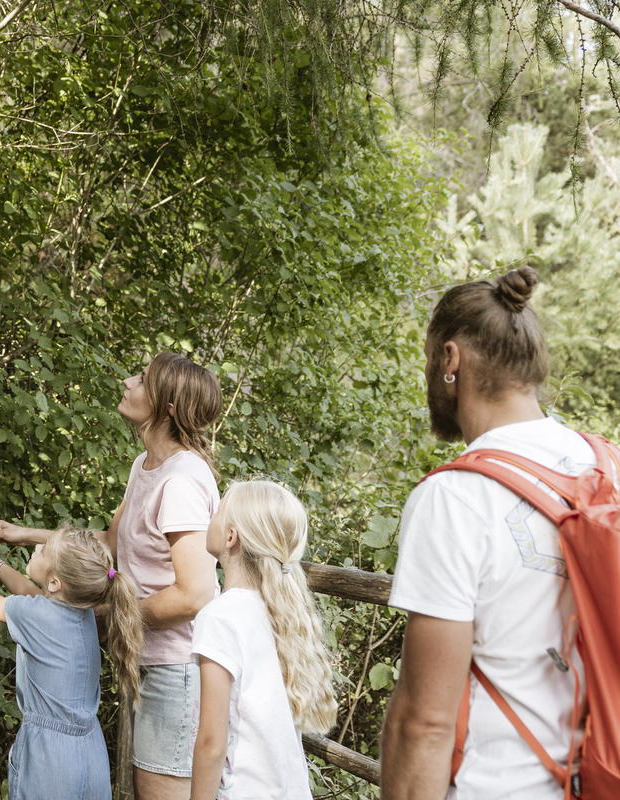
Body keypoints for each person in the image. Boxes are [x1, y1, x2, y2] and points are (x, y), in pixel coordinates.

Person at [381, 267, 595, 800]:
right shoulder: (604, 469)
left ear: (450, 360)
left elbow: (424, 724)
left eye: (429, 360)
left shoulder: (455, 498)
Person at [0, 351, 223, 799]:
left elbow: (194, 595)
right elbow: (111, 542)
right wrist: (23, 534)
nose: (128, 381)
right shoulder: (146, 467)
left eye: (142, 379)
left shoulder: (181, 481)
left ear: (166, 407)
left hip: (177, 669)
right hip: (150, 661)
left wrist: (111, 618)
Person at [0, 525, 144, 800]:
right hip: (91, 752)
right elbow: (29, 591)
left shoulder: (37, 615)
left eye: (43, 550)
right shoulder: (85, 615)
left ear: (54, 583)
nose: (36, 547)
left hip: (50, 760)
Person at [190, 480, 338, 800]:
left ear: (230, 537)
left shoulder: (219, 618)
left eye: (218, 510)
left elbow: (212, 744)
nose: (210, 515)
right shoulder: (281, 612)